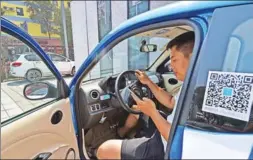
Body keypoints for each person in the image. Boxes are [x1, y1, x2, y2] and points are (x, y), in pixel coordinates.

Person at [96, 31, 195, 159]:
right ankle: (122, 133)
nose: (171, 66)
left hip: (166, 146)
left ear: (192, 58)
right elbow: (171, 101)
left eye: (174, 60)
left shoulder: (197, 94)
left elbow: (175, 140)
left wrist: (153, 112)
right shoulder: (191, 83)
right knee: (139, 110)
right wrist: (148, 82)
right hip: (169, 128)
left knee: (104, 149)